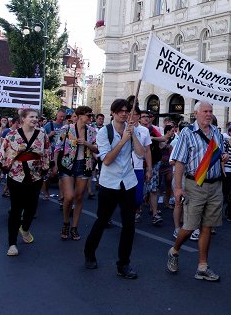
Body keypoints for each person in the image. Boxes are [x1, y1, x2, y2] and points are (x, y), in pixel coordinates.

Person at [166, 101, 229, 282]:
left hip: (215, 185)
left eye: (210, 111)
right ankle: (174, 250)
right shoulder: (187, 133)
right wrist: (178, 188)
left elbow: (221, 155)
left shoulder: (217, 132)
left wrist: (223, 156)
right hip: (194, 184)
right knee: (190, 226)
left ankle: (202, 266)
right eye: (205, 111)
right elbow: (179, 162)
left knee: (208, 226)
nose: (208, 114)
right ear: (196, 114)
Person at [83, 99, 147, 279]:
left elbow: (141, 154)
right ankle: (89, 252)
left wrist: (132, 135)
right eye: (120, 111)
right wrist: (122, 141)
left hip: (128, 182)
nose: (124, 114)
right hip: (109, 183)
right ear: (113, 112)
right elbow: (107, 160)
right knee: (102, 221)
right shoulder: (104, 132)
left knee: (129, 225)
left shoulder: (132, 130)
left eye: (127, 111)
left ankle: (123, 264)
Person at [0, 108, 50, 256]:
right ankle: (12, 243)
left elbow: (47, 154)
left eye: (36, 117)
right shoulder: (11, 135)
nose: (35, 119)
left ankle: (25, 228)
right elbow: (2, 157)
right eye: (31, 116)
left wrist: (47, 169)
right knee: (16, 209)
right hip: (16, 176)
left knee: (31, 208)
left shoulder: (42, 135)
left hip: (35, 177)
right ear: (23, 118)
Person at [54, 106, 99, 241]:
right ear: (80, 116)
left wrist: (87, 143)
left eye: (91, 116)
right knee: (68, 197)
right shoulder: (66, 129)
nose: (90, 118)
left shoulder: (91, 131)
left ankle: (74, 227)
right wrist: (55, 165)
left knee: (79, 197)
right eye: (88, 115)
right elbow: (57, 148)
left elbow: (97, 149)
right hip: (67, 165)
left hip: (84, 165)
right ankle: (66, 222)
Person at [141, 110, 164, 225]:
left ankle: (155, 213)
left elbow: (163, 139)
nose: (146, 119)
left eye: (148, 117)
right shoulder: (135, 130)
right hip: (139, 163)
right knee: (139, 187)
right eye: (143, 116)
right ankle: (137, 210)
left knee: (153, 187)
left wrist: (152, 138)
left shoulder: (153, 129)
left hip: (153, 162)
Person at [43, 109, 67, 202]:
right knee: (49, 175)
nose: (62, 118)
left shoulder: (65, 126)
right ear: (56, 115)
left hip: (62, 154)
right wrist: (49, 135)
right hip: (50, 153)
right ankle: (45, 191)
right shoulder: (49, 125)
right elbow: (42, 139)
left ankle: (61, 195)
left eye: (63, 116)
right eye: (60, 116)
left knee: (61, 175)